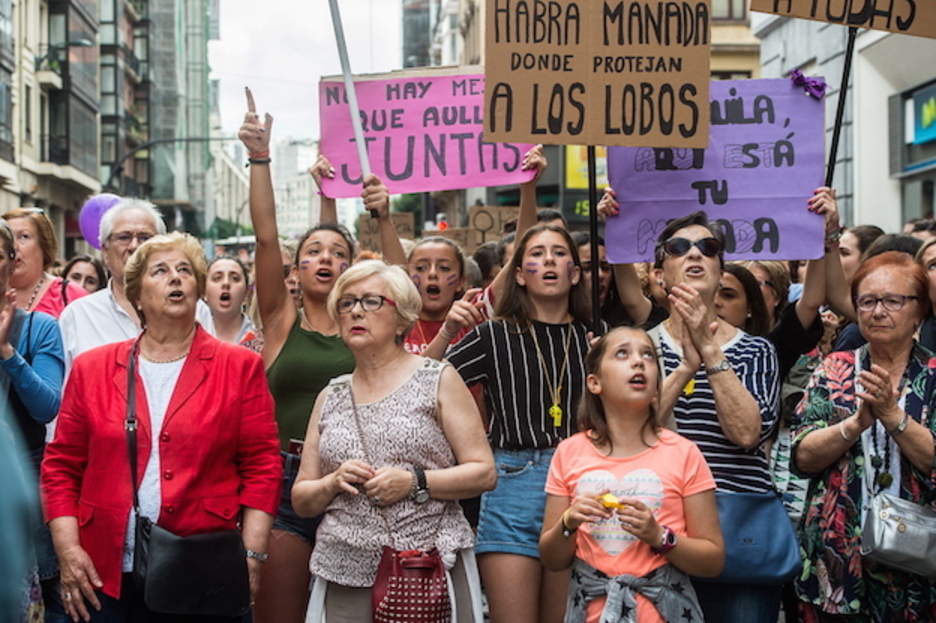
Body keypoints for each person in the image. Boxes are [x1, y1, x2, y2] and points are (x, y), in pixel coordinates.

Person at [41, 232, 281, 622]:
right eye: (161, 271)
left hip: (202, 566)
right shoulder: (92, 368)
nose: (176, 278)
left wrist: (251, 555)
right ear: (136, 295)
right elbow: (61, 467)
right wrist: (68, 551)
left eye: (185, 270)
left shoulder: (239, 366)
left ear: (197, 289)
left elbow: (262, 466)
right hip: (102, 572)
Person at [239, 88, 406, 623]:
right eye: (313, 252)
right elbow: (266, 238)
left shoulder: (371, 325)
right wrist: (260, 158)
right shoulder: (280, 321)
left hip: (360, 482)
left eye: (338, 253)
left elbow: (403, 289)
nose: (326, 259)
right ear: (296, 270)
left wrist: (383, 217)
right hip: (285, 484)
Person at [292, 260, 496, 621]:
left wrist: (415, 482)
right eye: (346, 302)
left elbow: (483, 473)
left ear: (402, 318)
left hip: (424, 568)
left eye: (371, 301)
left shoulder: (438, 379)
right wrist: (331, 482)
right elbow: (302, 499)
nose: (356, 310)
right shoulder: (331, 395)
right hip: (343, 570)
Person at [446, 224, 594, 623]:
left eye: (560, 253)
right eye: (536, 254)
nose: (548, 260)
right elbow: (426, 386)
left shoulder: (597, 339)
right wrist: (446, 331)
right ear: (517, 273)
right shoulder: (493, 335)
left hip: (580, 483)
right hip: (513, 478)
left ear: (575, 272)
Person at [647, 211, 781, 621]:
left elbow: (746, 433)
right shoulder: (637, 347)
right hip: (656, 527)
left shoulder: (756, 351)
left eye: (708, 248)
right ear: (659, 272)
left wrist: (709, 351)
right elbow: (628, 432)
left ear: (720, 269)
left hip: (736, 527)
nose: (695, 255)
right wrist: (684, 367)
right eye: (679, 248)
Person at [539, 326, 724, 622]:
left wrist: (659, 536)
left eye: (648, 355)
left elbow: (713, 560)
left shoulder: (684, 453)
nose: (639, 362)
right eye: (622, 353)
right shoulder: (569, 452)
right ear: (594, 383)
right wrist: (569, 521)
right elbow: (551, 559)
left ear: (656, 387)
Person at [791, 251, 936, 622]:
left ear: (920, 310)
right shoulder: (834, 368)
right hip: (837, 553)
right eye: (867, 301)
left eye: (893, 301)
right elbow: (803, 457)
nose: (877, 311)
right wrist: (852, 426)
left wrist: (893, 416)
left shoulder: (933, 374)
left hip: (918, 560)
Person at [58, 199, 212, 375]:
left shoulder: (195, 310)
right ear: (105, 251)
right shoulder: (78, 316)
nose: (134, 246)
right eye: (124, 237)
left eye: (144, 238)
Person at [0, 221, 65, 622]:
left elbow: (47, 406)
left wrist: (8, 351)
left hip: (24, 497)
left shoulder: (39, 328)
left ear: (11, 261)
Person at [1, 208, 87, 318]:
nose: (14, 246)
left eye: (23, 237)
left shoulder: (71, 295)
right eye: (8, 238)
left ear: (44, 245)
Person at [203, 255, 255, 344]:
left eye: (235, 278)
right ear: (204, 292)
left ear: (246, 292)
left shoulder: (259, 339)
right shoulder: (192, 338)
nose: (226, 283)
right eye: (217, 278)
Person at [716, 263, 772, 337]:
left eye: (728, 295)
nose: (716, 302)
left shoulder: (761, 347)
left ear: (750, 308)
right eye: (709, 294)